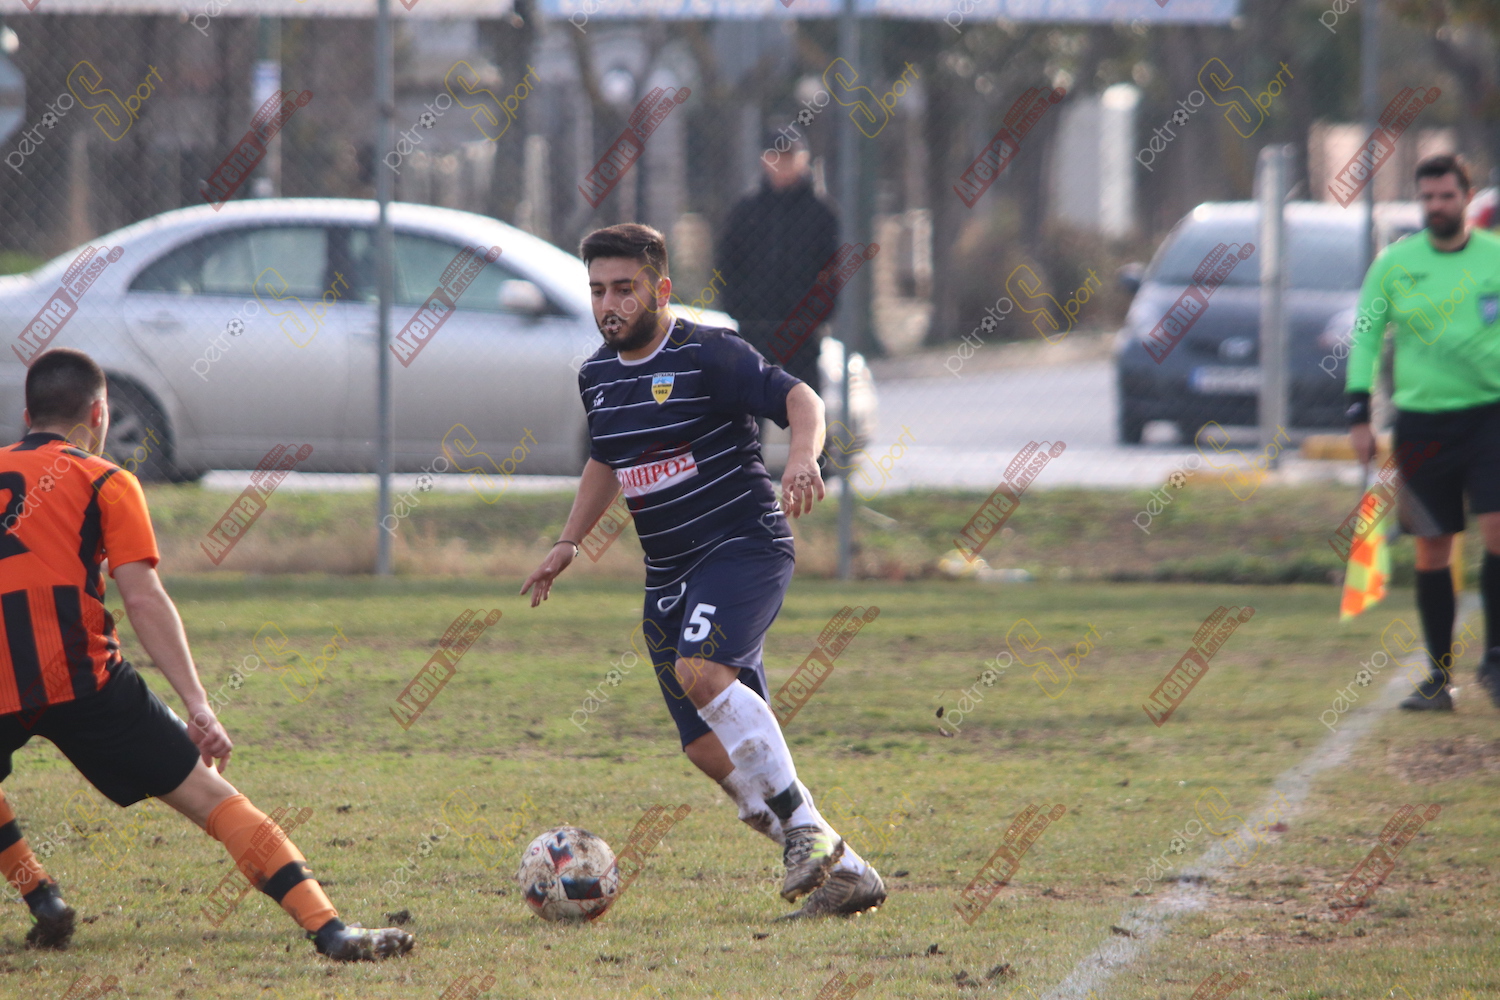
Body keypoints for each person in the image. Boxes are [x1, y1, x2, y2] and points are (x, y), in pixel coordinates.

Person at [521, 224, 885, 919]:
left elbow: (801, 399)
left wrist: (801, 458)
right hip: (668, 574)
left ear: (660, 288)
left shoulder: (708, 354)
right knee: (708, 750)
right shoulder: (597, 376)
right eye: (597, 291)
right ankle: (847, 870)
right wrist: (568, 541)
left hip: (742, 544)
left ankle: (804, 831)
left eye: (624, 289)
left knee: (701, 671)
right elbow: (606, 459)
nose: (609, 305)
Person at [0, 349, 413, 959]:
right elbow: (143, 597)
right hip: (83, 677)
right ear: (99, 413)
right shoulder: (107, 481)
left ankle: (41, 896)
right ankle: (331, 931)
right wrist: (198, 705)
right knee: (211, 797)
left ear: (27, 414)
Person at [1345, 154, 1500, 711]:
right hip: (1421, 425)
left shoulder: (1494, 257)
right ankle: (1438, 679)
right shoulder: (1395, 264)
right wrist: (1358, 413)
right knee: (1433, 548)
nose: (1436, 206)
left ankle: (1496, 661)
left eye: (1446, 196)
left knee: (1498, 530)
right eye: (1428, 198)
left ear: (1467, 198)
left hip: (1490, 417)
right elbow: (1365, 337)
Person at [716, 130, 839, 398]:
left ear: (804, 159)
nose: (783, 164)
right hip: (755, 325)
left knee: (805, 400)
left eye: (789, 157)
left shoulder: (821, 212)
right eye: (776, 157)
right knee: (751, 401)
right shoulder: (746, 211)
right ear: (764, 160)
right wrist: (738, 308)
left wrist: (816, 314)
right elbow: (726, 263)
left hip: (802, 330)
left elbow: (833, 269)